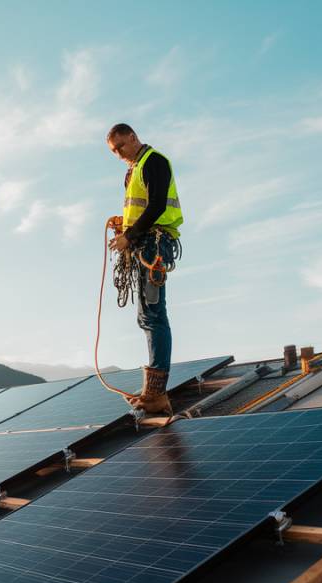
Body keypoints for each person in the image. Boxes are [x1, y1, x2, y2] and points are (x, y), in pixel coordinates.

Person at [106, 123, 183, 415]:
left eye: (121, 146)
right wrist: (123, 225)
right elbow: (141, 210)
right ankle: (153, 388)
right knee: (146, 315)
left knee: (153, 314)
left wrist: (130, 235)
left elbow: (156, 206)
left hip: (154, 246)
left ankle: (157, 393)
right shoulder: (134, 169)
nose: (119, 153)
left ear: (133, 137)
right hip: (145, 245)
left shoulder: (154, 162)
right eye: (114, 151)